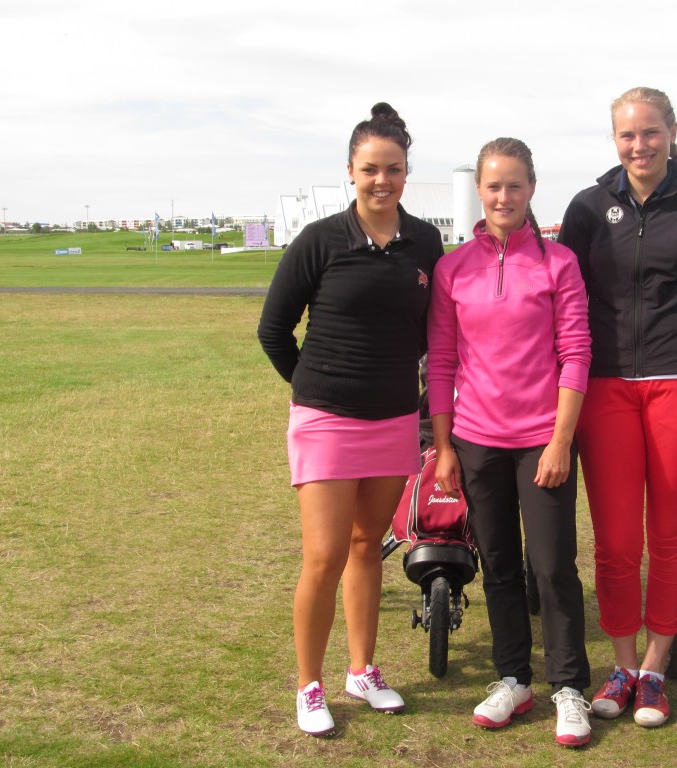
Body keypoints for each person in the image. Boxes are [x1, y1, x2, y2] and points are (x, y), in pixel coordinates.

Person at [558, 87, 677, 728]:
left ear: (671, 132)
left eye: (650, 132)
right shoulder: (588, 207)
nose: (639, 146)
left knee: (669, 536)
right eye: (627, 135)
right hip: (605, 387)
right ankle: (621, 665)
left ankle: (657, 668)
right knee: (615, 541)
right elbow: (564, 304)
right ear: (615, 140)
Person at [257, 102, 444, 737]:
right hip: (327, 421)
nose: (382, 181)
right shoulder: (320, 240)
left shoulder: (426, 242)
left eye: (393, 169)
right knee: (324, 555)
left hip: (393, 419)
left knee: (368, 547)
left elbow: (433, 332)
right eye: (370, 169)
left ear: (406, 172)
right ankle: (309, 685)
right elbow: (273, 330)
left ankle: (361, 671)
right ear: (350, 171)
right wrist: (315, 390)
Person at [427, 137, 594, 747]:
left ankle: (568, 686)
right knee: (497, 566)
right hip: (475, 440)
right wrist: (445, 446)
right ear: (479, 189)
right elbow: (441, 362)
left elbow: (576, 354)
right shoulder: (452, 268)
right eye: (493, 185)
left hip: (541, 441)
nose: (504, 196)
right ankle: (513, 679)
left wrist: (561, 440)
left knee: (550, 568)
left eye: (514, 185)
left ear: (531, 189)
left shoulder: (559, 263)